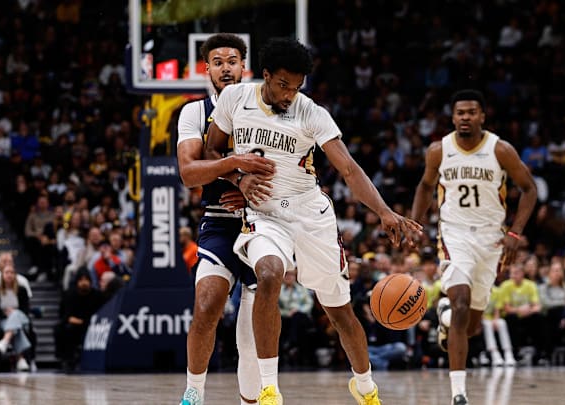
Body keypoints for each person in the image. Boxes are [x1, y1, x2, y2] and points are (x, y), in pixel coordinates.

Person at [205, 37, 422, 405]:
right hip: (263, 212)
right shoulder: (233, 99)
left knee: (340, 312)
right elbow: (212, 150)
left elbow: (350, 170)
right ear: (266, 76)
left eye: (297, 87)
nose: (290, 94)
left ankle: (365, 387)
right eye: (283, 85)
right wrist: (237, 178)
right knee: (269, 272)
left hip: (311, 215)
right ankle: (269, 388)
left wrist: (384, 211)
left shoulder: (312, 113)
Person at [411, 89, 537, 405]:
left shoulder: (500, 150)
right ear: (453, 117)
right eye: (460, 113)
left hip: (491, 239)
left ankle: (445, 317)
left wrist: (515, 233)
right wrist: (415, 222)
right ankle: (459, 394)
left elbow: (529, 189)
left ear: (482, 116)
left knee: (470, 327)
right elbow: (426, 186)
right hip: (454, 235)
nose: (465, 117)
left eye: (471, 112)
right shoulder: (439, 150)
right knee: (462, 301)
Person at [176, 33, 273, 405]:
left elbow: (279, 167)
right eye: (218, 62)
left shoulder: (262, 108)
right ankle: (193, 393)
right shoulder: (193, 112)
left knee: (250, 338)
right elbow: (189, 173)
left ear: (243, 67)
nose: (225, 68)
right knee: (205, 306)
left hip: (263, 222)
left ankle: (254, 397)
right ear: (207, 69)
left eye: (232, 61)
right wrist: (235, 169)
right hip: (218, 221)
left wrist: (249, 187)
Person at [0, 264, 33, 372]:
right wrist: (5, 314)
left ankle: (5, 341)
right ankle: (20, 359)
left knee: (15, 314)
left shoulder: (22, 290)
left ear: (15, 275)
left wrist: (14, 312)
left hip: (21, 319)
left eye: (12, 272)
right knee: (16, 329)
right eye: (7, 272)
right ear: (2, 275)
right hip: (4, 321)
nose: (9, 275)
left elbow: (25, 310)